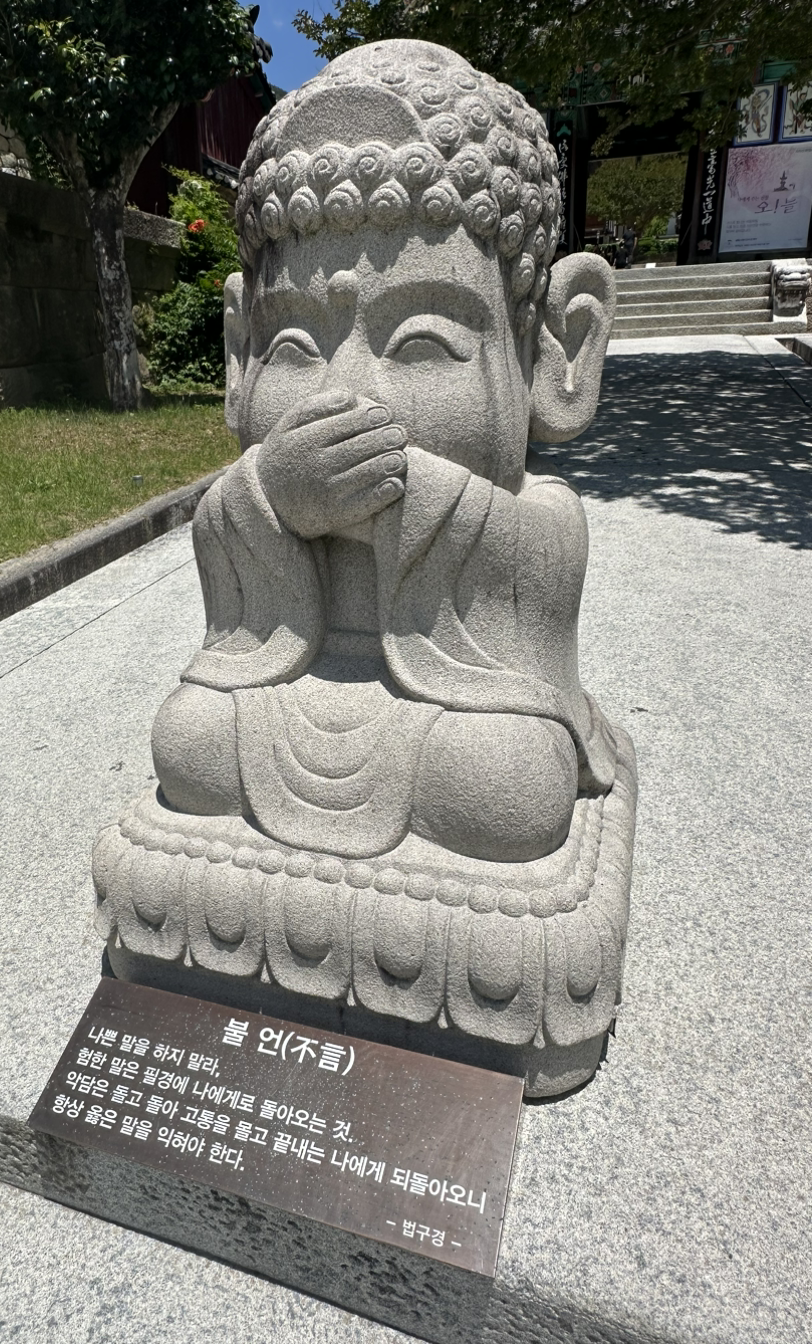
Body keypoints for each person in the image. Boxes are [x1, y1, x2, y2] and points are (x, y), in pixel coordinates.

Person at [149, 40, 619, 866]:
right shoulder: (265, 467)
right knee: (192, 741)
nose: (345, 394)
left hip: (469, 696)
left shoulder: (544, 512)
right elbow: (222, 534)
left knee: (503, 784)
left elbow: (539, 570)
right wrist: (272, 495)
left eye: (422, 342)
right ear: (238, 357)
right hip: (290, 672)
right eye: (293, 346)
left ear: (554, 353)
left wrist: (409, 490)